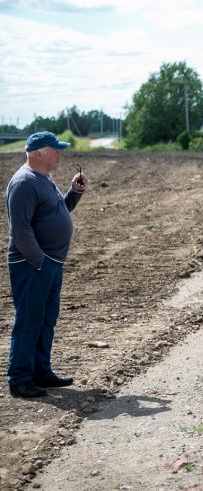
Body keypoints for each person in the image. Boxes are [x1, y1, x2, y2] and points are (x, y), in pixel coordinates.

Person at [6, 132, 86, 398]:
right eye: (56, 149)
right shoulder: (24, 182)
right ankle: (19, 379)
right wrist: (39, 261)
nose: (59, 154)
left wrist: (73, 193)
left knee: (45, 320)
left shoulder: (43, 179)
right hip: (32, 264)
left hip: (48, 263)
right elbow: (21, 229)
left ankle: (41, 372)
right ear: (40, 153)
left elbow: (56, 211)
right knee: (29, 320)